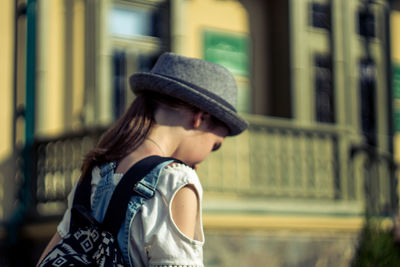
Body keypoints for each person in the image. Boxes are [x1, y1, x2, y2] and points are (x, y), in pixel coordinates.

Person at [37, 52, 248, 266]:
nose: (201, 162)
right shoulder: (175, 181)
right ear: (200, 118)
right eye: (215, 146)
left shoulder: (95, 171)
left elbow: (47, 260)